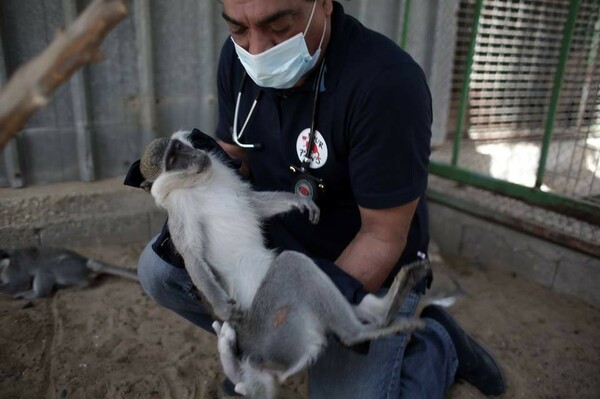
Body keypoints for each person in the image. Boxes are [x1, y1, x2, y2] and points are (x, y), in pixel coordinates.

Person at [132, 0, 506, 397]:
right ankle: (267, 344)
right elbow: (233, 158)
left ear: (322, 4)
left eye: (278, 26)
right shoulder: (238, 58)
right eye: (239, 29)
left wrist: (291, 317)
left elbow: (382, 237)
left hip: (363, 261)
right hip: (278, 246)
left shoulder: (386, 83)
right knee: (162, 270)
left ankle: (435, 344)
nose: (256, 50)